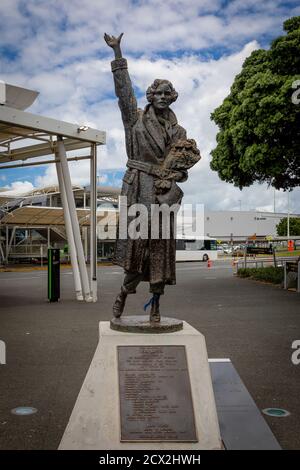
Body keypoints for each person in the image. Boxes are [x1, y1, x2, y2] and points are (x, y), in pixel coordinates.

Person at [104, 33, 200, 322]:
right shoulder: (134, 120)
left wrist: (175, 175)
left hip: (163, 193)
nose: (161, 97)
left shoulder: (179, 133)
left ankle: (156, 304)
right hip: (137, 188)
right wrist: (118, 54)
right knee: (137, 248)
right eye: (156, 93)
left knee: (161, 250)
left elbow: (182, 170)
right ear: (150, 96)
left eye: (166, 94)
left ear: (171, 97)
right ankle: (123, 292)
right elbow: (123, 93)